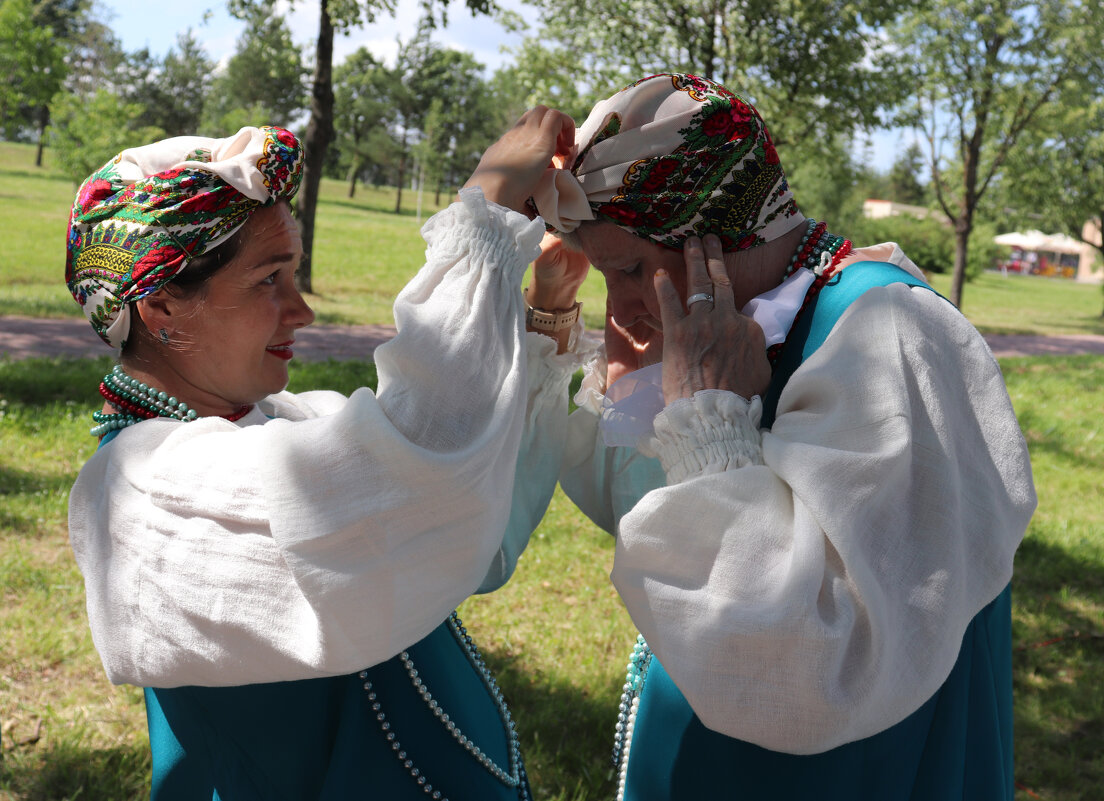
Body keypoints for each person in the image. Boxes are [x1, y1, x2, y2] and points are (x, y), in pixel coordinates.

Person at [524, 73, 1037, 799]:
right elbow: (625, 496)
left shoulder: (887, 333)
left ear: (715, 231)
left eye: (633, 269)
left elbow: (817, 668)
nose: (622, 311)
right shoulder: (747, 330)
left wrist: (711, 427)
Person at [65, 108, 587, 800]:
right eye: (268, 279)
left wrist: (545, 307)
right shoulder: (136, 493)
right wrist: (485, 210)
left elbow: (464, 516)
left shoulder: (285, 419)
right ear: (162, 310)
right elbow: (408, 471)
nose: (302, 309)